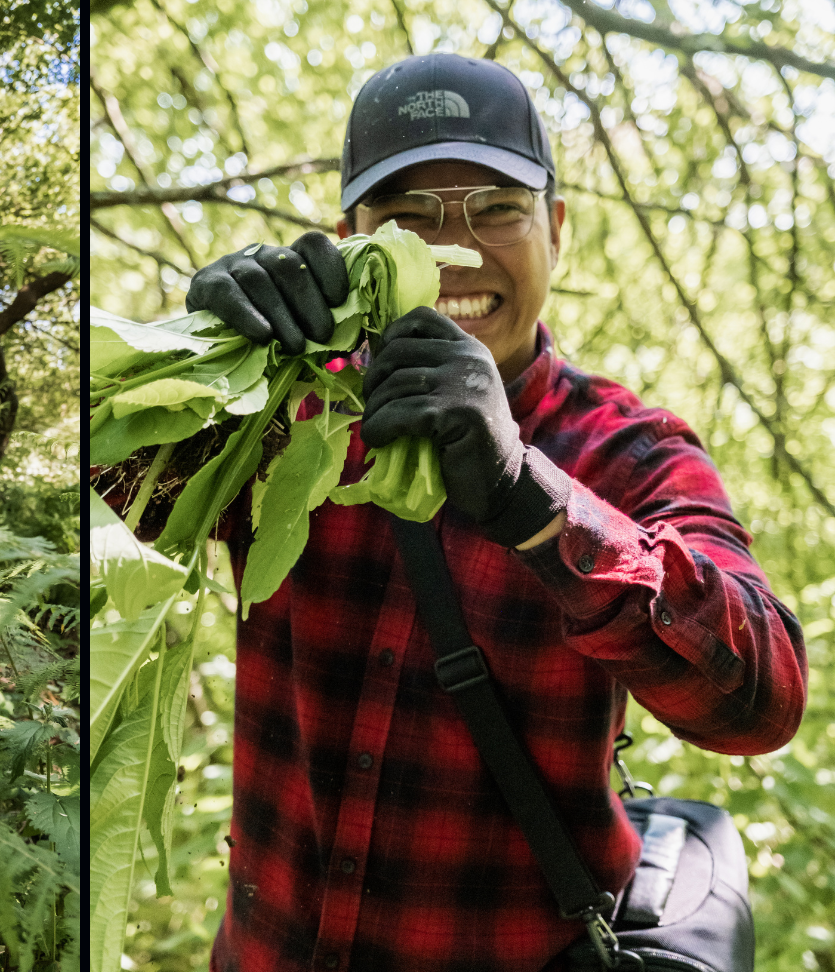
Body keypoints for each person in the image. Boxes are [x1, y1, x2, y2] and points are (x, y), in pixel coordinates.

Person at [181, 53, 807, 971]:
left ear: (555, 227)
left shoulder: (625, 449)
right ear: (346, 234)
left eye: (497, 209)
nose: (457, 251)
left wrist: (533, 501)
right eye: (409, 217)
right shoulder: (280, 416)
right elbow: (111, 533)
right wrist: (186, 368)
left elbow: (761, 702)